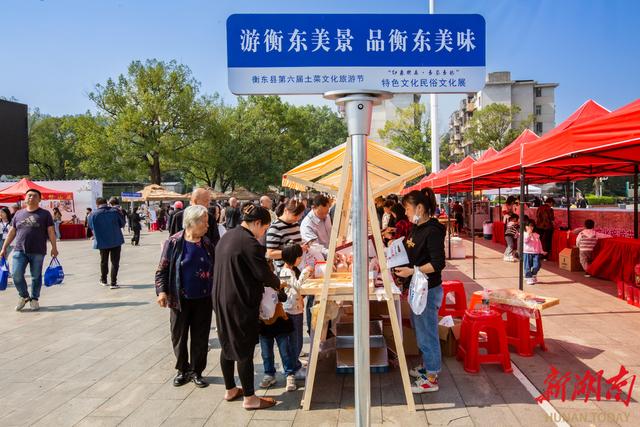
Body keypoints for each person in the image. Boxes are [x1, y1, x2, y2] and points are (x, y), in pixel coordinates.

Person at [213, 204, 279, 410]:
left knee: (227, 343)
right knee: (243, 349)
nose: (264, 233)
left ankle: (231, 389)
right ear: (257, 223)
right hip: (239, 301)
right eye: (265, 228)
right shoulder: (249, 242)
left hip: (221, 298)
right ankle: (250, 398)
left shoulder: (229, 235)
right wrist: (278, 285)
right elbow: (263, 274)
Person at [392, 188, 446, 394]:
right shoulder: (417, 227)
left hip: (428, 289)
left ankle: (431, 377)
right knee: (419, 327)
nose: (405, 213)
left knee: (428, 332)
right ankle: (427, 367)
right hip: (417, 288)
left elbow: (438, 263)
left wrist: (411, 271)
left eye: (407, 208)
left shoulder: (432, 230)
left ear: (420, 208)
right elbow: (410, 248)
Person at [156, 205, 214, 388]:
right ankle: (183, 370)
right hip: (179, 299)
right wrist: (162, 292)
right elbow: (161, 270)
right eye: (204, 222)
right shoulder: (173, 243)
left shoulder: (207, 243)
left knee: (200, 337)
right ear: (192, 223)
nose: (207, 226)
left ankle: (197, 371)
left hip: (203, 299)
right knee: (179, 336)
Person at [0, 189, 59, 311]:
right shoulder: (18, 214)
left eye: (34, 196)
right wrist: (4, 247)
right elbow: (12, 232)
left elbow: (51, 231)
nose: (31, 197)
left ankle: (35, 299)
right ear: (25, 198)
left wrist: (54, 247)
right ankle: (24, 296)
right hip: (19, 249)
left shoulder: (44, 214)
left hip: (38, 250)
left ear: (39, 199)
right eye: (29, 195)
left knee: (36, 276)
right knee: (16, 274)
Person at [277, 244, 312, 391]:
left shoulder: (290, 270)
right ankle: (291, 371)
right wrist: (305, 272)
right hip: (291, 311)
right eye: (299, 257)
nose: (300, 259)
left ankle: (295, 366)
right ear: (294, 258)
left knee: (295, 340)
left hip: (295, 309)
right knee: (294, 341)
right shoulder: (286, 272)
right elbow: (296, 286)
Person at [299, 194, 332, 334]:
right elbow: (314, 246)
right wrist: (330, 252)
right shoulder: (307, 224)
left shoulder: (327, 215)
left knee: (326, 295)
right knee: (313, 297)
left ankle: (327, 327)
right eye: (321, 213)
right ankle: (312, 329)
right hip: (314, 263)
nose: (324, 215)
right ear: (313, 208)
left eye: (327, 212)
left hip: (327, 259)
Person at [89, 197, 125, 289]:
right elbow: (122, 224)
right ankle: (113, 283)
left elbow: (91, 227)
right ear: (107, 203)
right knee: (115, 262)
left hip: (102, 241)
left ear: (97, 204)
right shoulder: (115, 212)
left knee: (103, 261)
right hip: (116, 240)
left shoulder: (93, 214)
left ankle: (104, 280)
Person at [265, 199, 306, 272]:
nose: (298, 218)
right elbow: (270, 254)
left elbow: (297, 243)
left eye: (300, 215)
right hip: (284, 271)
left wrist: (302, 246)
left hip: (298, 267)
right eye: (295, 215)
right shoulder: (275, 228)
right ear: (286, 211)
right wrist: (293, 251)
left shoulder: (295, 224)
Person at [523, 220, 546, 285]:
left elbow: (539, 244)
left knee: (537, 265)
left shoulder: (536, 235)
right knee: (527, 266)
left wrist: (541, 251)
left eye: (532, 226)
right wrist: (529, 234)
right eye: (528, 226)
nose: (530, 227)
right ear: (525, 227)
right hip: (527, 252)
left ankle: (533, 275)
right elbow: (525, 241)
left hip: (536, 252)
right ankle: (528, 277)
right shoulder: (524, 234)